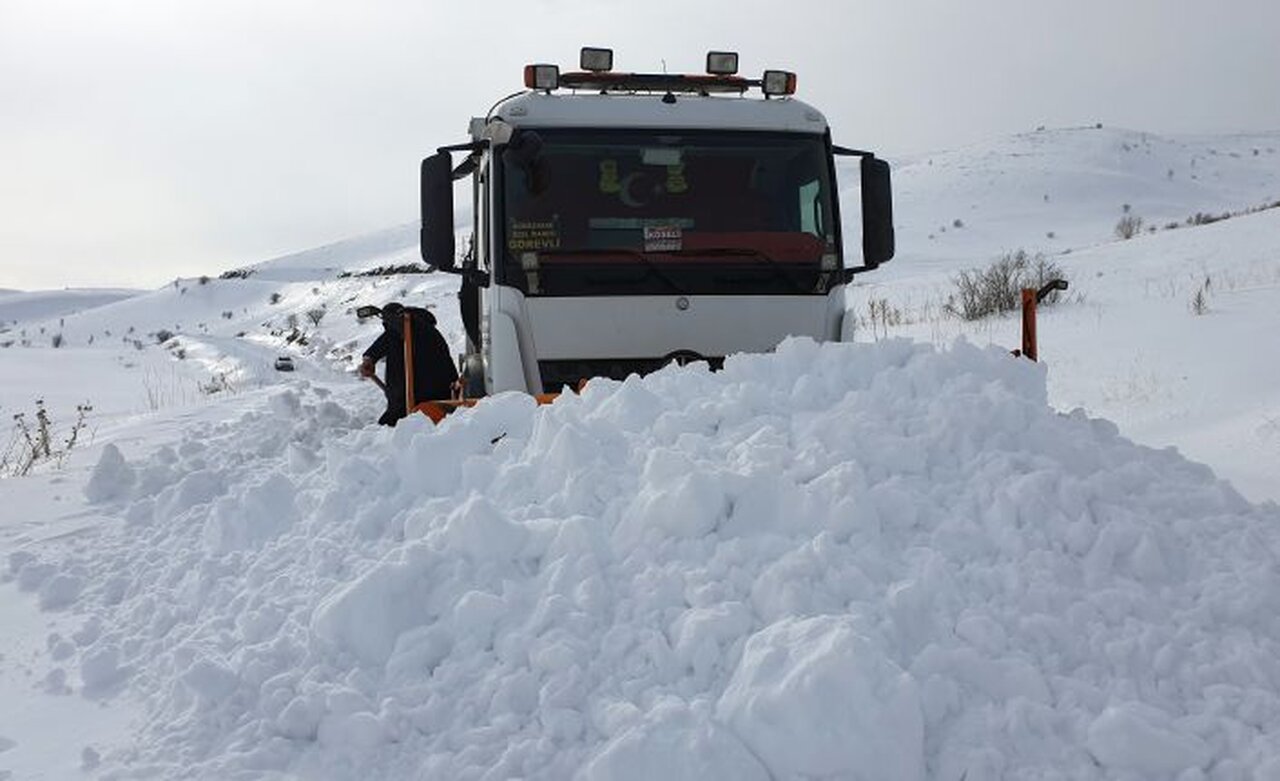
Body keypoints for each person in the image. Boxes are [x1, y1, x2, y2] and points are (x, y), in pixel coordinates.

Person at [360, 303, 459, 426]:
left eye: (389, 322)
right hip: (410, 402)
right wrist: (369, 358)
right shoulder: (400, 333)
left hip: (426, 402)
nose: (389, 328)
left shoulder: (420, 330)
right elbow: (381, 344)